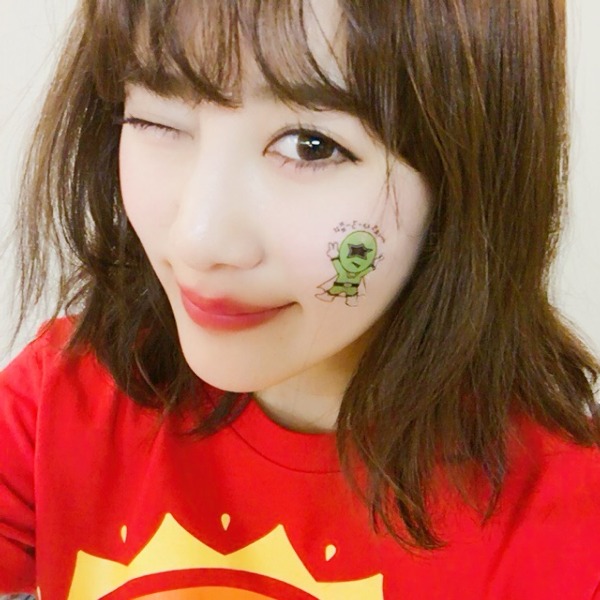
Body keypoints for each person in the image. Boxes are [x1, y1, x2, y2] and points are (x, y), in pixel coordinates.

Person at [1, 0, 599, 598]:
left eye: (312, 145)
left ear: (472, 175)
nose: (198, 240)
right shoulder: (64, 398)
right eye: (157, 120)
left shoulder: (566, 531)